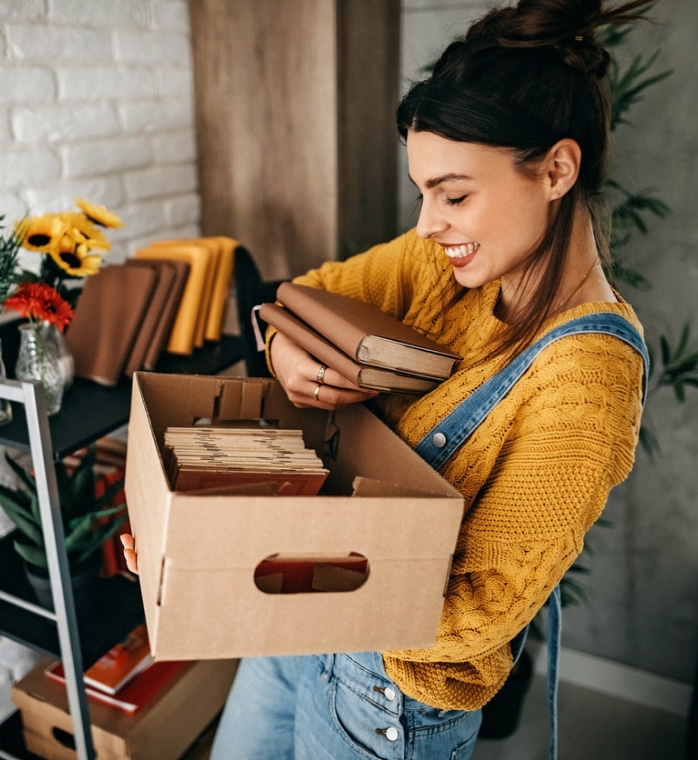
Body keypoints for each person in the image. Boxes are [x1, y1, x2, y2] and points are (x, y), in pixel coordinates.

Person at [121, 0, 653, 757]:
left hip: (389, 696)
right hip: (294, 620)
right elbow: (301, 296)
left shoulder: (588, 376)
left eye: (455, 194)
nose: (430, 223)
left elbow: (480, 610)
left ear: (557, 169)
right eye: (423, 192)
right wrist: (285, 355)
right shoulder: (440, 265)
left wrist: (234, 566)